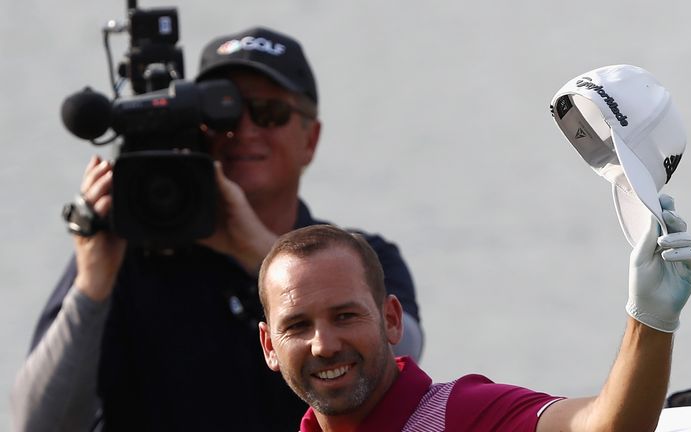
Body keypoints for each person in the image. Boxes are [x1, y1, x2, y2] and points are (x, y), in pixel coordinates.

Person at [11, 27, 423, 432]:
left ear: (310, 140)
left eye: (270, 113)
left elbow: (401, 358)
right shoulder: (124, 254)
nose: (244, 131)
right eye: (220, 115)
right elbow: (39, 424)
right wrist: (93, 282)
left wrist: (259, 254)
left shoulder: (358, 256)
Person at [257, 199, 691, 431]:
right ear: (269, 346)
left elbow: (605, 427)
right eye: (297, 325)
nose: (324, 343)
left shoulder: (462, 415)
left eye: (345, 315)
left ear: (391, 319)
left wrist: (651, 320)